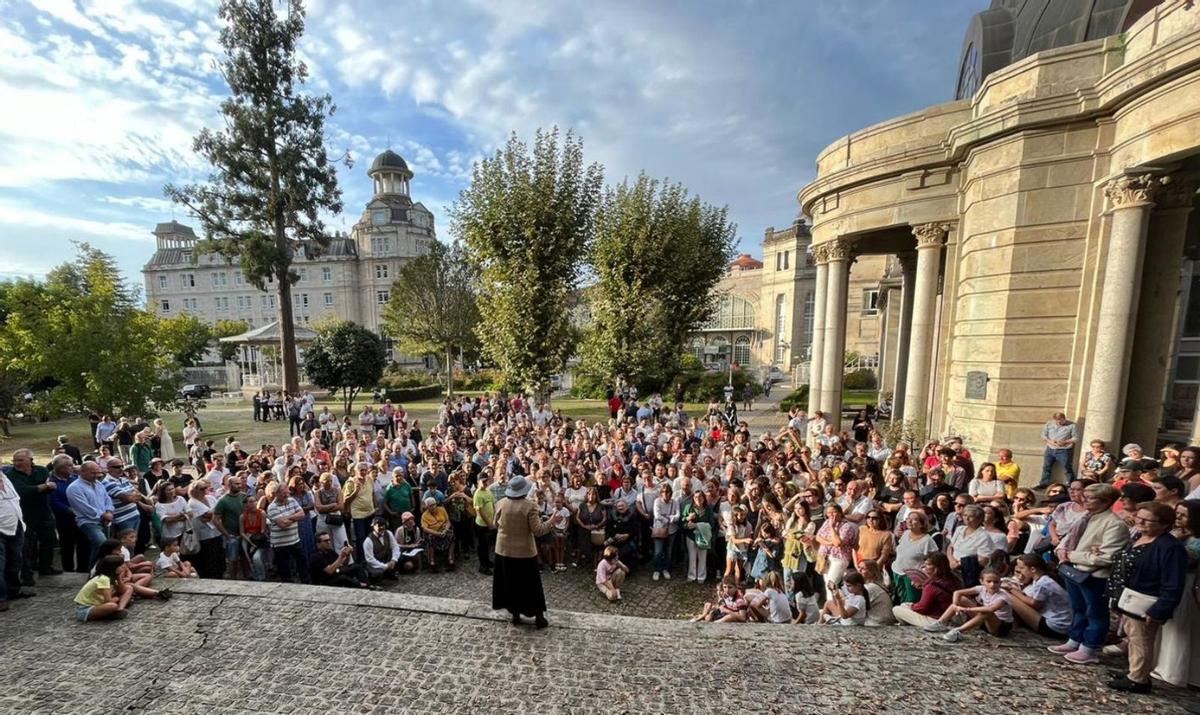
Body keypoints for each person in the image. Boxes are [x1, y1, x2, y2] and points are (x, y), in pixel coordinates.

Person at [1106, 501, 1189, 694]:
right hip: (1130, 597)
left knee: (1142, 640)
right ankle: (1133, 672)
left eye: (1147, 520)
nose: (1140, 522)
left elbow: (1173, 582)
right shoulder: (1140, 537)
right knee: (1133, 637)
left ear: (1163, 524)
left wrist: (1161, 608)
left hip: (1146, 600)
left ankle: (1138, 679)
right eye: (1139, 518)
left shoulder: (1169, 547)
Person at [1050, 483, 1128, 665]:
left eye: (1090, 497)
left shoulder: (1114, 524)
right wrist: (1062, 551)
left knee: (1095, 611)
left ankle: (1089, 647)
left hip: (1093, 575)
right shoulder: (1085, 517)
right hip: (1073, 569)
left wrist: (1072, 555)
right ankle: (1075, 639)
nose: (1084, 500)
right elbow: (1069, 539)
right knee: (1078, 608)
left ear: (1105, 501)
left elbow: (1106, 556)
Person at [492, 475, 562, 628]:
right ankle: (538, 617)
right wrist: (551, 521)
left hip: (503, 550)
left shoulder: (500, 504)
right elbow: (538, 530)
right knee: (530, 586)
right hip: (524, 552)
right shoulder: (530, 506)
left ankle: (515, 614)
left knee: (510, 583)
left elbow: (494, 524)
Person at [5, 449, 58, 584]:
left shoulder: (41, 470)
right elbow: (23, 491)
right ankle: (27, 574)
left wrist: (41, 487)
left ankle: (45, 566)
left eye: (20, 460)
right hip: (25, 514)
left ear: (30, 460)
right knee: (27, 544)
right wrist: (42, 487)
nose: (16, 463)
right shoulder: (12, 475)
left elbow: (50, 486)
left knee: (49, 539)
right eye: (15, 460)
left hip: (43, 511)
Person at [923, 568, 1014, 642]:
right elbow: (957, 592)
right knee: (962, 599)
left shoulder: (1003, 597)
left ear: (1000, 583)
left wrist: (967, 609)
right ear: (982, 581)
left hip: (999, 626)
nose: (992, 585)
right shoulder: (981, 588)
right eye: (989, 581)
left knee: (985, 612)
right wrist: (956, 606)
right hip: (984, 621)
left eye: (996, 582)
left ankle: (958, 631)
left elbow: (991, 609)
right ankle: (942, 622)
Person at [1002, 553, 1071, 638]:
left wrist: (1011, 589)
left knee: (1007, 595)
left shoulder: (1043, 583)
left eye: (1022, 568)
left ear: (1033, 569)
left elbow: (1034, 604)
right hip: (1058, 623)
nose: (1021, 572)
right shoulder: (1040, 579)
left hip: (1056, 627)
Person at [65, 461, 114, 566]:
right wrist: (103, 514)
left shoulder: (98, 484)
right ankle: (93, 570)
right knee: (101, 543)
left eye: (98, 473)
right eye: (93, 473)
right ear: (82, 472)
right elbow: (84, 508)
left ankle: (101, 570)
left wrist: (109, 511)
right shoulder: (74, 488)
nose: (97, 476)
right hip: (88, 521)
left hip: (104, 520)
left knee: (105, 547)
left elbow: (107, 498)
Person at [893, 553, 957, 628]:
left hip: (934, 620)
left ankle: (908, 625)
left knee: (896, 609)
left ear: (937, 568)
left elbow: (922, 608)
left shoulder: (931, 586)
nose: (924, 566)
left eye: (928, 564)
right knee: (905, 605)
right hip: (949, 617)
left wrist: (912, 606)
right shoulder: (953, 580)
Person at [266, 483, 309, 584]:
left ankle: (306, 583)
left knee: (302, 563)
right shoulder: (272, 507)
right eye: (283, 494)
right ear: (276, 494)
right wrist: (294, 516)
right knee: (285, 569)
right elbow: (283, 525)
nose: (286, 496)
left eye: (287, 493)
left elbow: (302, 515)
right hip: (280, 544)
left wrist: (287, 517)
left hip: (295, 540)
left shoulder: (292, 500)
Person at [73, 555, 128, 622]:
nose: (123, 567)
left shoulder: (111, 577)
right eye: (121, 566)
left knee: (129, 588)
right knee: (112, 605)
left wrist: (118, 577)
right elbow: (108, 600)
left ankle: (117, 610)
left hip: (97, 604)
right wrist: (117, 599)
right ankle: (111, 613)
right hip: (85, 609)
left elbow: (123, 590)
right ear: (114, 568)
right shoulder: (103, 579)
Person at [1039, 412, 1078, 488]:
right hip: (1050, 449)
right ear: (1054, 420)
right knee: (1046, 467)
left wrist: (1065, 442)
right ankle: (1044, 484)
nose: (1059, 422)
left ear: (1064, 419)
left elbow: (1076, 438)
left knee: (1066, 467)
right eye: (1057, 421)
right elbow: (1043, 435)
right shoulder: (1049, 424)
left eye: (1061, 420)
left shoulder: (1072, 425)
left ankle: (1071, 484)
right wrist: (1050, 441)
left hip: (1064, 450)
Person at [362, 516, 402, 581]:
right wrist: (385, 566)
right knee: (377, 574)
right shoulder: (368, 541)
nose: (381, 528)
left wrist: (393, 560)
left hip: (387, 559)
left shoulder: (388, 533)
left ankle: (389, 573)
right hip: (375, 563)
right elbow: (370, 559)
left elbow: (395, 547)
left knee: (400, 557)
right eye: (379, 526)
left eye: (383, 526)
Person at [420, 496, 455, 572]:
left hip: (443, 530)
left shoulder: (442, 510)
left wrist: (445, 530)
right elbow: (425, 528)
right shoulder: (424, 516)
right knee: (430, 538)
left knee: (451, 536)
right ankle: (432, 561)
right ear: (427, 507)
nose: (433, 507)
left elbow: (448, 521)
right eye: (431, 505)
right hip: (433, 532)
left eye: (434, 504)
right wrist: (436, 533)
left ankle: (450, 559)